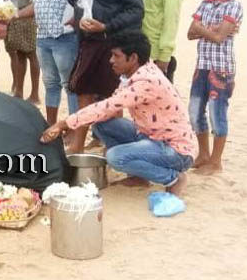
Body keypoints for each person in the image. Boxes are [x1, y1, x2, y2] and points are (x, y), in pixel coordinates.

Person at [41, 32, 194, 196]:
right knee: (102, 126)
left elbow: (106, 107)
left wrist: (63, 124)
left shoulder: (146, 82)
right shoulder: (135, 74)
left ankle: (173, 178)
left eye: (116, 56)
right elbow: (106, 110)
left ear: (133, 58)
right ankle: (139, 176)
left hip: (175, 150)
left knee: (115, 157)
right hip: (150, 136)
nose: (111, 60)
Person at [66, 0, 144, 153]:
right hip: (88, 41)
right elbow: (75, 0)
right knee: (83, 90)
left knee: (111, 95)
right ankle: (78, 144)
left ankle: (111, 145)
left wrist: (106, 26)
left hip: (112, 43)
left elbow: (135, 9)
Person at [187, 0, 243, 175]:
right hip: (202, 66)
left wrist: (204, 29)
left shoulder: (234, 5)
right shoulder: (205, 2)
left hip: (221, 68)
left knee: (216, 114)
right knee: (194, 111)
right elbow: (190, 33)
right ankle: (203, 154)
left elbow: (219, 38)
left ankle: (216, 161)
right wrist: (211, 30)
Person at [33, 0, 79, 131]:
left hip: (64, 36)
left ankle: (71, 130)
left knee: (70, 86)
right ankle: (51, 127)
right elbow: (37, 4)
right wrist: (13, 16)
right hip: (43, 36)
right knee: (50, 84)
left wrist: (77, 17)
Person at [0, 0, 40, 103]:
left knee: (31, 54)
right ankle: (19, 92)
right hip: (13, 16)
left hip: (26, 15)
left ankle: (35, 94)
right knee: (20, 54)